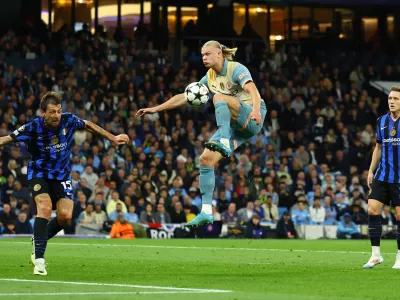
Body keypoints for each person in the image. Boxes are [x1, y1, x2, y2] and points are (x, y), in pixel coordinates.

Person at [137, 40, 267, 226]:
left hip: (253, 117)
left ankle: (223, 139)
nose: (203, 57)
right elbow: (185, 96)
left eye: (207, 54)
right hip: (236, 128)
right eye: (202, 55)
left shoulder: (235, 69)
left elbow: (252, 89)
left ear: (219, 54)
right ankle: (206, 211)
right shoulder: (210, 77)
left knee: (220, 97)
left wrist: (255, 110)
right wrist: (156, 109)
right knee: (205, 160)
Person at [0, 92, 129, 275]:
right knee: (44, 208)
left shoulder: (68, 120)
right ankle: (39, 260)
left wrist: (113, 138)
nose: (56, 115)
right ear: (43, 112)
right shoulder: (32, 127)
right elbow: (6, 139)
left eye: (59, 111)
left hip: (62, 176)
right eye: (52, 112)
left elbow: (89, 125)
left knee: (66, 217)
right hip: (40, 174)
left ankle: (38, 238)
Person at [364, 86, 400, 269]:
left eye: (396, 98)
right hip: (383, 175)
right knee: (372, 209)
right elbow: (378, 148)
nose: (392, 101)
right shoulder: (382, 121)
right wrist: (371, 170)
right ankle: (376, 255)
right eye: (390, 98)